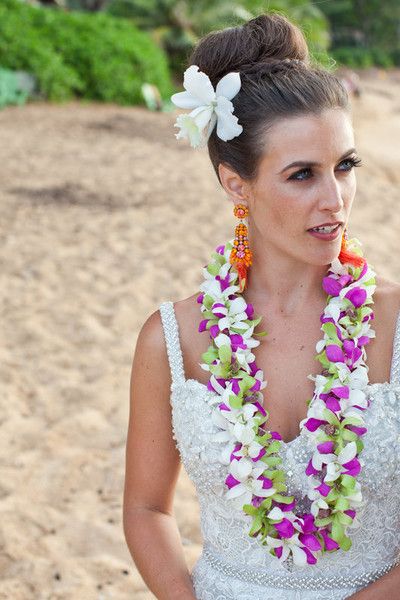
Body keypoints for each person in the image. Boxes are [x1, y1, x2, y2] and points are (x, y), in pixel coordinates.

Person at [123, 13, 400, 600]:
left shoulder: (396, 325)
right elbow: (147, 508)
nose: (335, 200)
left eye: (345, 165)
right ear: (236, 186)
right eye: (303, 174)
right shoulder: (172, 340)